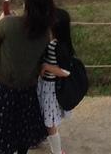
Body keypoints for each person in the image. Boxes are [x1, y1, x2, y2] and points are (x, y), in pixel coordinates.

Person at [0, 0, 53, 154]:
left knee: (4, 133)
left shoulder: (7, 24)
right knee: (23, 134)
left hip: (3, 88)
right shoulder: (45, 33)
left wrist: (0, 22)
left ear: (26, 5)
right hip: (28, 90)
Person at [37, 9, 73, 154]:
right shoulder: (61, 44)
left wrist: (46, 67)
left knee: (50, 123)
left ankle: (57, 151)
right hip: (45, 86)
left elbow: (66, 72)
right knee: (47, 120)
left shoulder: (55, 46)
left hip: (49, 88)